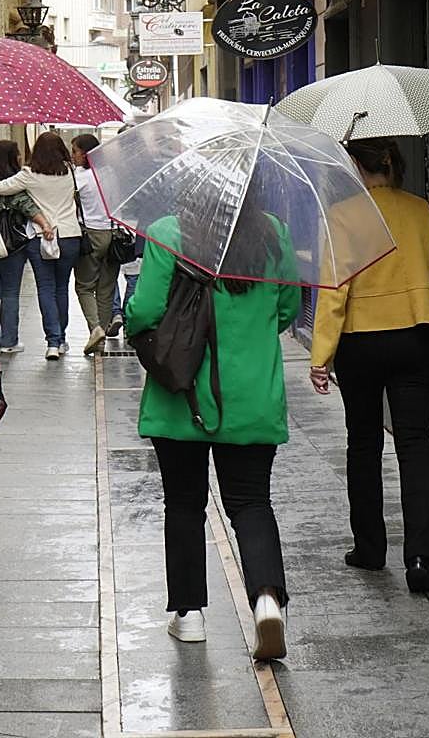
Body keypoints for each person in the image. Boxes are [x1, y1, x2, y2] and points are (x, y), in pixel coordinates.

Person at [126, 191, 300, 661]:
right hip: (252, 395)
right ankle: (267, 600)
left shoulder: (167, 233)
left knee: (184, 503)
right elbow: (287, 309)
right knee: (251, 503)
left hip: (182, 394)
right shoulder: (272, 234)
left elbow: (144, 311)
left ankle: (190, 616)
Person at [309, 137, 429, 594]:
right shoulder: (426, 211)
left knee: (364, 443)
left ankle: (371, 549)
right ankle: (421, 558)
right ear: (394, 166)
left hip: (360, 342)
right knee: (415, 444)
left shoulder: (342, 216)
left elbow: (334, 292)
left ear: (357, 166)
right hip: (416, 338)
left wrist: (321, 356)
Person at [0, 132, 82, 360]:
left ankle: (52, 343)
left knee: (45, 288)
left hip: (42, 236)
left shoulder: (29, 174)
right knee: (61, 288)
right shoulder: (70, 172)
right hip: (69, 235)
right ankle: (62, 338)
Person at [0, 140, 53, 355]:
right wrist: (44, 223)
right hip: (10, 245)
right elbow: (26, 205)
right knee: (10, 292)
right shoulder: (13, 182)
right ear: (10, 158)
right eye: (16, 155)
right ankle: (9, 341)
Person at [71, 134, 121, 355]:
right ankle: (99, 340)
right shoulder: (111, 173)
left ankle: (96, 329)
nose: (72, 156)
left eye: (75, 151)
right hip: (114, 233)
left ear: (85, 153)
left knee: (83, 286)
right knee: (106, 288)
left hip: (91, 234)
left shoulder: (79, 178)